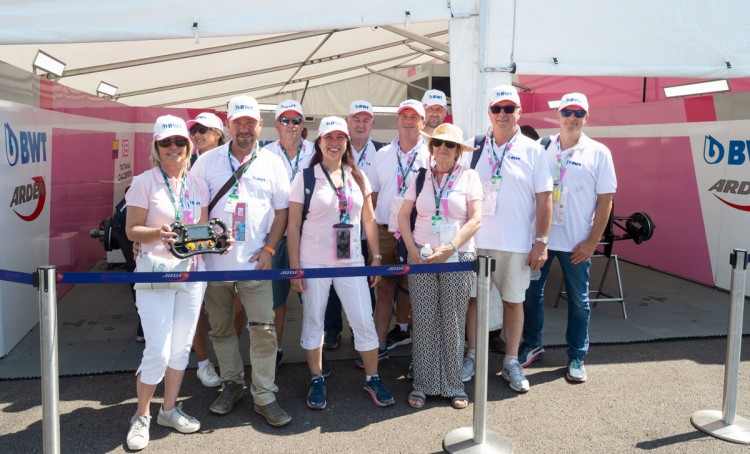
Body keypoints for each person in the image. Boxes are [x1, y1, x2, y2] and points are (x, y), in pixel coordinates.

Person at [190, 95, 292, 427]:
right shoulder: (206, 162)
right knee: (220, 328)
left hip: (256, 263)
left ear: (259, 125)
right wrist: (205, 244)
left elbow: (282, 213)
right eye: (238, 123)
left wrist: (269, 250)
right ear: (228, 126)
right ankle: (231, 384)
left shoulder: (274, 162)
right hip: (215, 264)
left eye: (251, 122)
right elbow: (197, 210)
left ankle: (264, 395)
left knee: (263, 330)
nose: (245, 128)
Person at [287, 116, 394, 409]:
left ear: (346, 143)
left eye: (340, 138)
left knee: (363, 320)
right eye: (328, 138)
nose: (334, 143)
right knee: (314, 322)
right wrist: (296, 267)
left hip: (352, 262)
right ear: (319, 142)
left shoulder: (357, 176)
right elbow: (293, 226)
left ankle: (373, 378)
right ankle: (317, 379)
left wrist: (375, 256)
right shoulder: (305, 178)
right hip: (313, 262)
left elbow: (369, 219)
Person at [124, 115, 210, 450]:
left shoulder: (196, 183)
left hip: (192, 273)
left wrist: (217, 241)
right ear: (156, 148)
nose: (173, 148)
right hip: (155, 272)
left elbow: (201, 231)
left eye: (179, 142)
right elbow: (132, 230)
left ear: (188, 147)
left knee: (181, 347)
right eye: (166, 143)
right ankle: (142, 415)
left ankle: (169, 409)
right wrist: (156, 232)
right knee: (157, 350)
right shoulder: (144, 181)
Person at [520, 93, 617, 383]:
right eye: (567, 112)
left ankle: (576, 355)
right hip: (543, 241)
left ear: (586, 118)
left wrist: (591, 242)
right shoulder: (542, 147)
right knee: (531, 295)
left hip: (577, 243)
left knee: (578, 300)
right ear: (558, 116)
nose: (572, 118)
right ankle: (532, 344)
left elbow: (606, 201)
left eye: (578, 113)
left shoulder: (599, 152)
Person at [465, 85, 552, 394]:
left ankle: (511, 361)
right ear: (489, 113)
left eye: (509, 108)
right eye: (496, 109)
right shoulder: (473, 147)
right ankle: (473, 355)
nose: (502, 114)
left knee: (514, 303)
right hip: (476, 243)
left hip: (516, 244)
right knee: (474, 301)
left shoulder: (533, 149)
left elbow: (545, 199)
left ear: (519, 112)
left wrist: (541, 242)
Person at [398, 123, 482, 409]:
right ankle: (423, 384)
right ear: (432, 147)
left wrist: (451, 247)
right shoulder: (421, 177)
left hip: (457, 258)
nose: (443, 149)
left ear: (458, 151)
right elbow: (403, 215)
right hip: (420, 257)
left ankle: (453, 384)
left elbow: (475, 219)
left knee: (454, 320)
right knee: (422, 320)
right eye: (438, 144)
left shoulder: (470, 177)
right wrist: (412, 249)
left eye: (449, 145)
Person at [369, 99, 431, 362]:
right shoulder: (381, 155)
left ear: (423, 123)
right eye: (403, 116)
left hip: (417, 231)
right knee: (383, 289)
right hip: (384, 229)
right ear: (397, 121)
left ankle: (420, 351)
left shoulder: (430, 153)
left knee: (417, 290)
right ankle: (378, 343)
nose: (408, 121)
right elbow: (372, 195)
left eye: (414, 117)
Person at [322, 100, 385, 350]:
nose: (360, 125)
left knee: (364, 285)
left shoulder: (382, 152)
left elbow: (379, 191)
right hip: (334, 231)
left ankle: (363, 336)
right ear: (348, 121)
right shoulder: (336, 149)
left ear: (372, 123)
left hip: (365, 229)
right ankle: (333, 330)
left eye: (365, 120)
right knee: (331, 285)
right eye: (356, 120)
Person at [186, 111, 242, 389]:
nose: (197, 134)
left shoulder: (231, 161)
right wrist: (203, 240)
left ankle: (228, 359)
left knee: (237, 306)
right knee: (197, 309)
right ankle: (203, 363)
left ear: (219, 133)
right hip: (199, 249)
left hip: (233, 249)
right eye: (194, 129)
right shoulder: (183, 161)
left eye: (204, 129)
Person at [262, 100, 315, 371]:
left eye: (296, 120)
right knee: (276, 300)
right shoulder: (265, 154)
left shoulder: (316, 151)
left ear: (303, 124)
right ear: (276, 126)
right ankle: (276, 350)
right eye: (285, 121)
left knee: (313, 298)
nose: (291, 126)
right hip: (278, 237)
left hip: (310, 237)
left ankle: (315, 357)